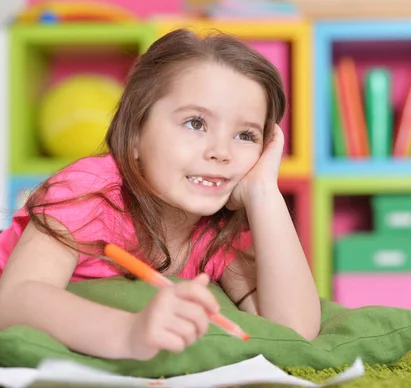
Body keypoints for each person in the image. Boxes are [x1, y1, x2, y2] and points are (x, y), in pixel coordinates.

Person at [0, 28, 321, 361]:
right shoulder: (88, 191)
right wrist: (128, 333)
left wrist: (263, 191)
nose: (222, 152)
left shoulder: (217, 229)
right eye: (196, 123)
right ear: (136, 133)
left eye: (245, 135)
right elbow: (14, 299)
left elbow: (294, 328)